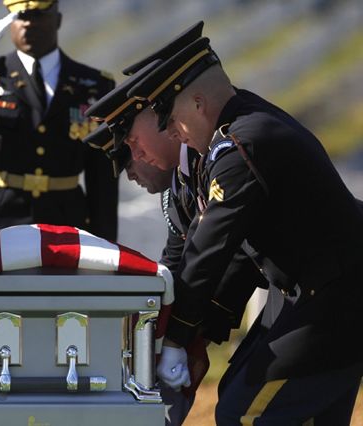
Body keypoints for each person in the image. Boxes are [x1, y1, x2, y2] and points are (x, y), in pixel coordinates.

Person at [128, 24, 363, 424]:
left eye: (172, 119)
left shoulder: (241, 146)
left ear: (199, 104)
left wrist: (178, 339)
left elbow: (209, 251)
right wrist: (194, 335)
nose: (170, 132)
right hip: (308, 288)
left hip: (339, 293)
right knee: (244, 397)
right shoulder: (234, 133)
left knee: (247, 414)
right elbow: (238, 253)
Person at [84, 67, 266, 424]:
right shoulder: (180, 188)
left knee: (251, 409)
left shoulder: (217, 159)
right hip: (297, 286)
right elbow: (176, 264)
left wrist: (182, 338)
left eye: (131, 152)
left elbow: (221, 256)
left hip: (319, 282)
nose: (132, 172)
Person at [0, 0, 119, 241]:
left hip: (65, 219)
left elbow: (102, 178)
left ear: (58, 20)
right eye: (21, 16)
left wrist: (106, 245)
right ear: (9, 23)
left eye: (39, 14)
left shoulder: (94, 85)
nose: (29, 23)